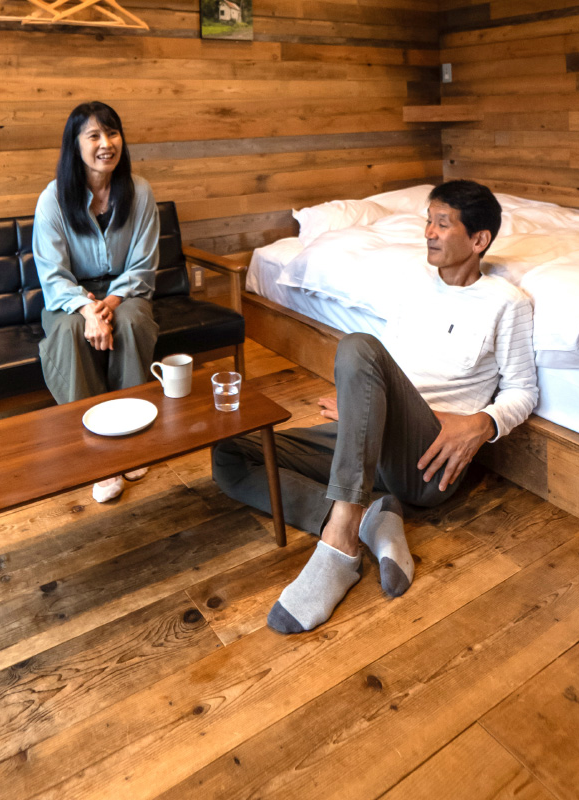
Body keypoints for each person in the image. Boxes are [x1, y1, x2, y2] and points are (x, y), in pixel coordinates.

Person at [212, 179, 537, 633]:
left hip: (428, 458)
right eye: (428, 221)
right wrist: (363, 407)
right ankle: (371, 518)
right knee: (230, 455)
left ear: (479, 239)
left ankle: (341, 541)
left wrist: (482, 423)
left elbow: (523, 389)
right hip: (378, 439)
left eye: (443, 224)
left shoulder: (506, 303)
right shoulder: (415, 286)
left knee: (357, 345)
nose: (428, 232)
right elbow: (391, 366)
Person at [33, 101, 160, 503]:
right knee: (70, 332)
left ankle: (132, 437)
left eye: (112, 133)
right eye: (94, 136)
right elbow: (52, 274)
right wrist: (88, 308)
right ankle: (96, 450)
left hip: (126, 292)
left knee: (134, 322)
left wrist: (111, 303)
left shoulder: (140, 191)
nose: (106, 143)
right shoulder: (53, 199)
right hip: (70, 297)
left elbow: (143, 264)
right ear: (75, 145)